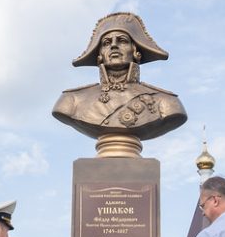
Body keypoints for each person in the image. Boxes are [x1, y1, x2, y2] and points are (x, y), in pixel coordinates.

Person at [52, 12, 187, 141]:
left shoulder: (165, 102)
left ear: (136, 52)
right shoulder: (72, 100)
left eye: (122, 41)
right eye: (106, 43)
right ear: (99, 55)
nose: (114, 46)